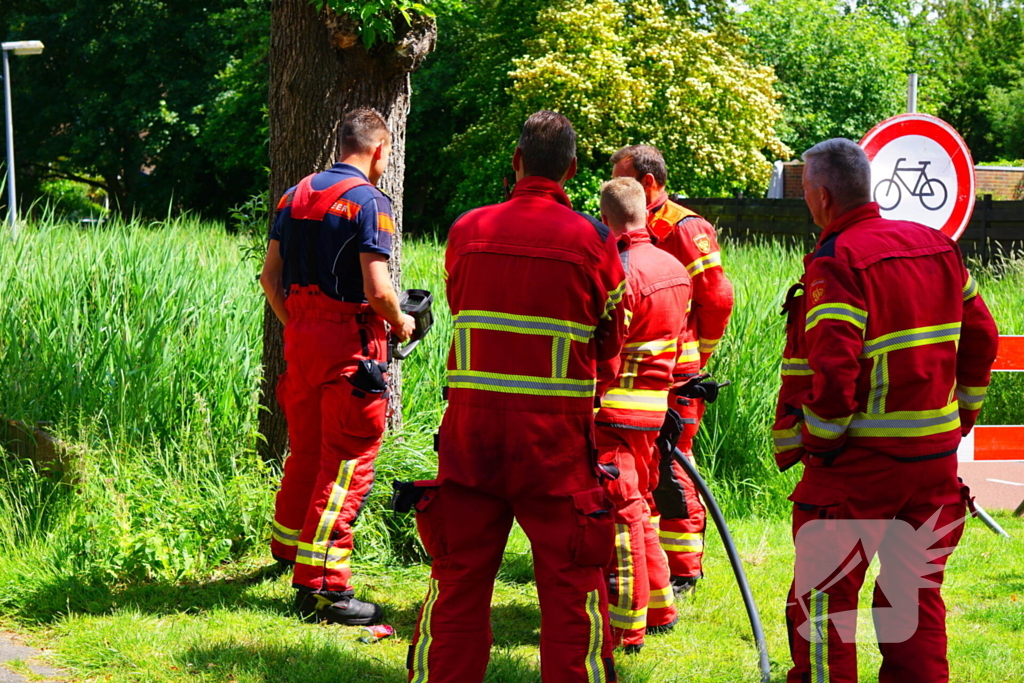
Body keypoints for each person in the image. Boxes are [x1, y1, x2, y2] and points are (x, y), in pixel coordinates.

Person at [407, 111, 626, 683]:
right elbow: (611, 342)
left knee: (457, 582)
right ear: (573, 170)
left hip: (470, 438)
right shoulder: (594, 241)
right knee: (572, 589)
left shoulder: (466, 230)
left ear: (516, 162)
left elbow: (465, 304)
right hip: (555, 447)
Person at [773, 138, 998, 683]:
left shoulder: (837, 262)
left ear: (822, 196)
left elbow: (834, 368)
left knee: (824, 605)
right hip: (935, 464)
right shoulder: (937, 246)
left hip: (859, 467)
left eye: (804, 193)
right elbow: (984, 337)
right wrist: (960, 417)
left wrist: (820, 443)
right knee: (914, 598)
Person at [259, 107, 415, 626]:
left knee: (304, 451)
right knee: (347, 461)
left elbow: (269, 277)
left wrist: (296, 322)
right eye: (386, 154)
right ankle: (323, 588)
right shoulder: (371, 202)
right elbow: (377, 289)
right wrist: (401, 325)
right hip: (349, 342)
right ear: (377, 150)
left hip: (300, 338)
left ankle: (288, 552)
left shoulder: (295, 194)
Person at [610, 145, 734, 595]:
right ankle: (652, 564)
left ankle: (683, 569)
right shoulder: (633, 225)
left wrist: (699, 356)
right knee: (644, 470)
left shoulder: (683, 226)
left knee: (673, 465)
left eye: (623, 179)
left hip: (677, 374)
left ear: (646, 183)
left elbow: (717, 299)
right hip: (643, 375)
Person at [594, 177, 691, 652]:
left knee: (622, 512)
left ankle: (627, 628)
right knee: (642, 508)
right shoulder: (675, 266)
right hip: (654, 412)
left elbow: (607, 356)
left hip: (613, 413)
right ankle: (660, 607)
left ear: (607, 218)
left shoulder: (620, 270)